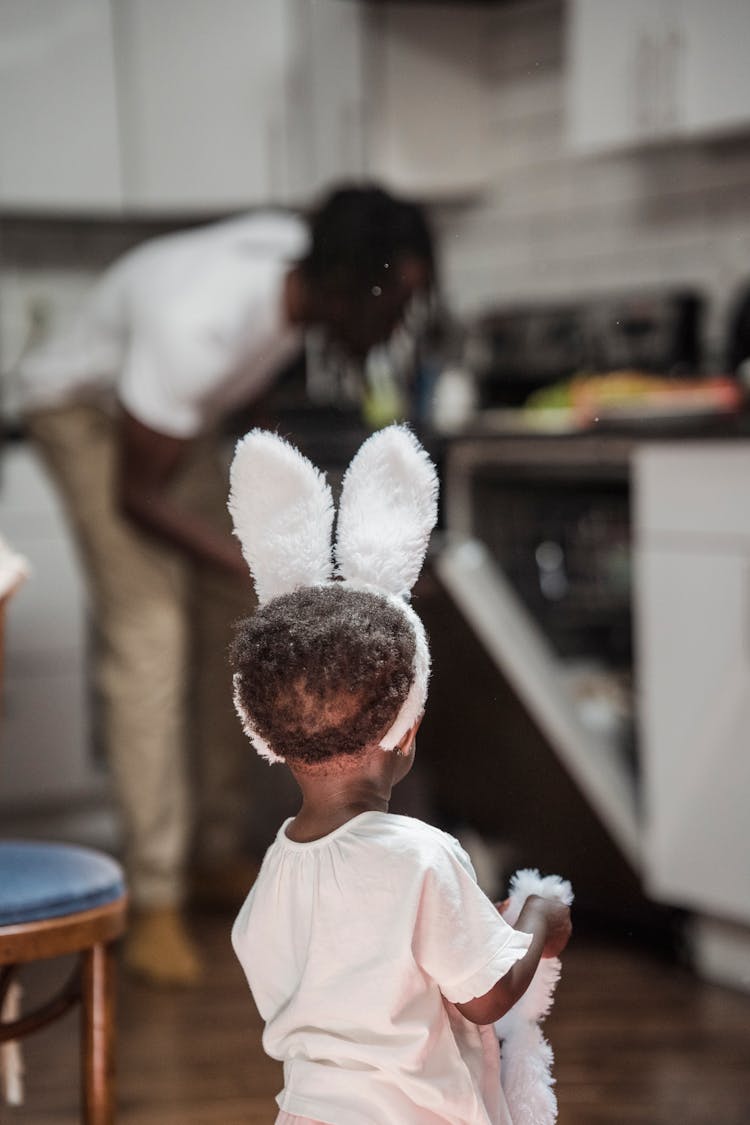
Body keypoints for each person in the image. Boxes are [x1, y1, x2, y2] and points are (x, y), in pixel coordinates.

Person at [17, 184, 435, 986]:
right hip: (81, 410)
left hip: (173, 414)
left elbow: (248, 386)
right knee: (151, 634)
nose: (398, 324)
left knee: (242, 619)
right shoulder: (201, 326)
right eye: (397, 301)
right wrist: (249, 556)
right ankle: (153, 900)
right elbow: (133, 497)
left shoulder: (299, 275)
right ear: (351, 284)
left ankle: (212, 853)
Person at [228, 425, 572, 1125]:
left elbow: (346, 980)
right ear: (405, 729)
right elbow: (487, 995)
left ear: (266, 736)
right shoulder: (422, 855)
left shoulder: (273, 873)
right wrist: (539, 917)